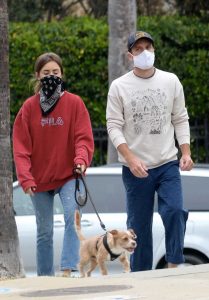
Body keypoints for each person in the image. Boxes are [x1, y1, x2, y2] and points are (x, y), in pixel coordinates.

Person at [106, 31, 194, 272]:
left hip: (167, 163)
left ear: (154, 51)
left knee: (175, 210)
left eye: (148, 47)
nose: (144, 52)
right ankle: (141, 277)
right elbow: (113, 126)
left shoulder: (171, 81)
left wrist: (185, 151)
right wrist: (130, 158)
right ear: (130, 55)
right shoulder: (119, 86)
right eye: (138, 49)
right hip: (136, 168)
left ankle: (174, 262)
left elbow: (180, 118)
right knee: (138, 227)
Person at [13, 52, 94, 277]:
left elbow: (83, 137)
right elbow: (20, 147)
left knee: (72, 219)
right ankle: (44, 278)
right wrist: (25, 178)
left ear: (62, 74)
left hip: (68, 175)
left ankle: (67, 270)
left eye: (55, 72)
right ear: (38, 76)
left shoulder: (74, 103)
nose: (51, 76)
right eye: (46, 73)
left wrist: (81, 160)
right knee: (44, 232)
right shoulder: (28, 108)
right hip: (39, 180)